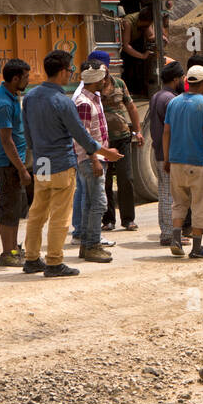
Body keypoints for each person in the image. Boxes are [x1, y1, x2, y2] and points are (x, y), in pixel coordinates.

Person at [22, 50, 121, 277]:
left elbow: (28, 134)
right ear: (62, 71)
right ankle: (55, 262)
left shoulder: (31, 97)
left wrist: (38, 152)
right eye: (70, 70)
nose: (71, 75)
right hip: (61, 164)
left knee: (37, 212)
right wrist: (106, 152)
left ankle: (32, 258)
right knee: (60, 215)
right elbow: (83, 137)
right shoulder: (62, 102)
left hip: (42, 162)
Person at [162, 65, 203, 258]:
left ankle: (176, 240)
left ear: (187, 81)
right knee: (200, 204)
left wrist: (166, 159)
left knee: (179, 203)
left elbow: (166, 132)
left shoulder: (174, 103)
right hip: (198, 162)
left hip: (176, 161)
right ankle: (197, 248)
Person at [89, 51, 142, 232]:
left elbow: (131, 106)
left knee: (126, 178)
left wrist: (138, 131)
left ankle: (128, 220)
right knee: (105, 181)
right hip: (102, 143)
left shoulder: (119, 83)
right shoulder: (91, 86)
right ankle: (108, 220)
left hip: (122, 138)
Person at [0, 58, 32, 267]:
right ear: (15, 78)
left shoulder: (6, 94)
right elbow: (7, 140)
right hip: (9, 165)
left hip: (10, 162)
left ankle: (14, 249)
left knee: (14, 210)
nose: (28, 80)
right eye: (25, 77)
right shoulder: (4, 102)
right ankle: (8, 253)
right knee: (8, 210)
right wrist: (22, 170)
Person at [74, 62, 114, 262]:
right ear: (96, 80)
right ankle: (93, 245)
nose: (106, 81)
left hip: (97, 157)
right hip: (92, 160)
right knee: (98, 204)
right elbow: (84, 135)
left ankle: (88, 245)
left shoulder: (93, 99)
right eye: (103, 77)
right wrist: (95, 160)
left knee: (90, 203)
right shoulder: (84, 103)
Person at [146, 61, 184, 247]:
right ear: (176, 79)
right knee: (171, 195)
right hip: (169, 153)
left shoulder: (157, 96)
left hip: (158, 151)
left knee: (164, 194)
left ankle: (166, 232)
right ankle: (170, 234)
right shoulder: (171, 100)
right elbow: (174, 130)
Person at [120, 6, 155, 96]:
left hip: (136, 46)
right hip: (126, 52)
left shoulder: (145, 23)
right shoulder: (128, 22)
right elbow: (125, 46)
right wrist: (142, 56)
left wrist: (160, 37)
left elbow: (150, 36)